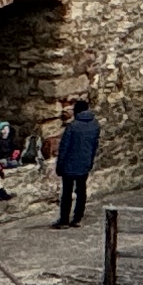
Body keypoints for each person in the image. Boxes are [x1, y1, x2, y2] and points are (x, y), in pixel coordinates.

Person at [53, 97, 101, 228]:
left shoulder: (72, 127)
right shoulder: (95, 125)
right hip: (85, 163)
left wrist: (59, 165)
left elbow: (64, 148)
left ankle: (64, 220)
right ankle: (78, 218)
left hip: (69, 165)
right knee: (81, 191)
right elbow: (94, 145)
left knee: (67, 193)